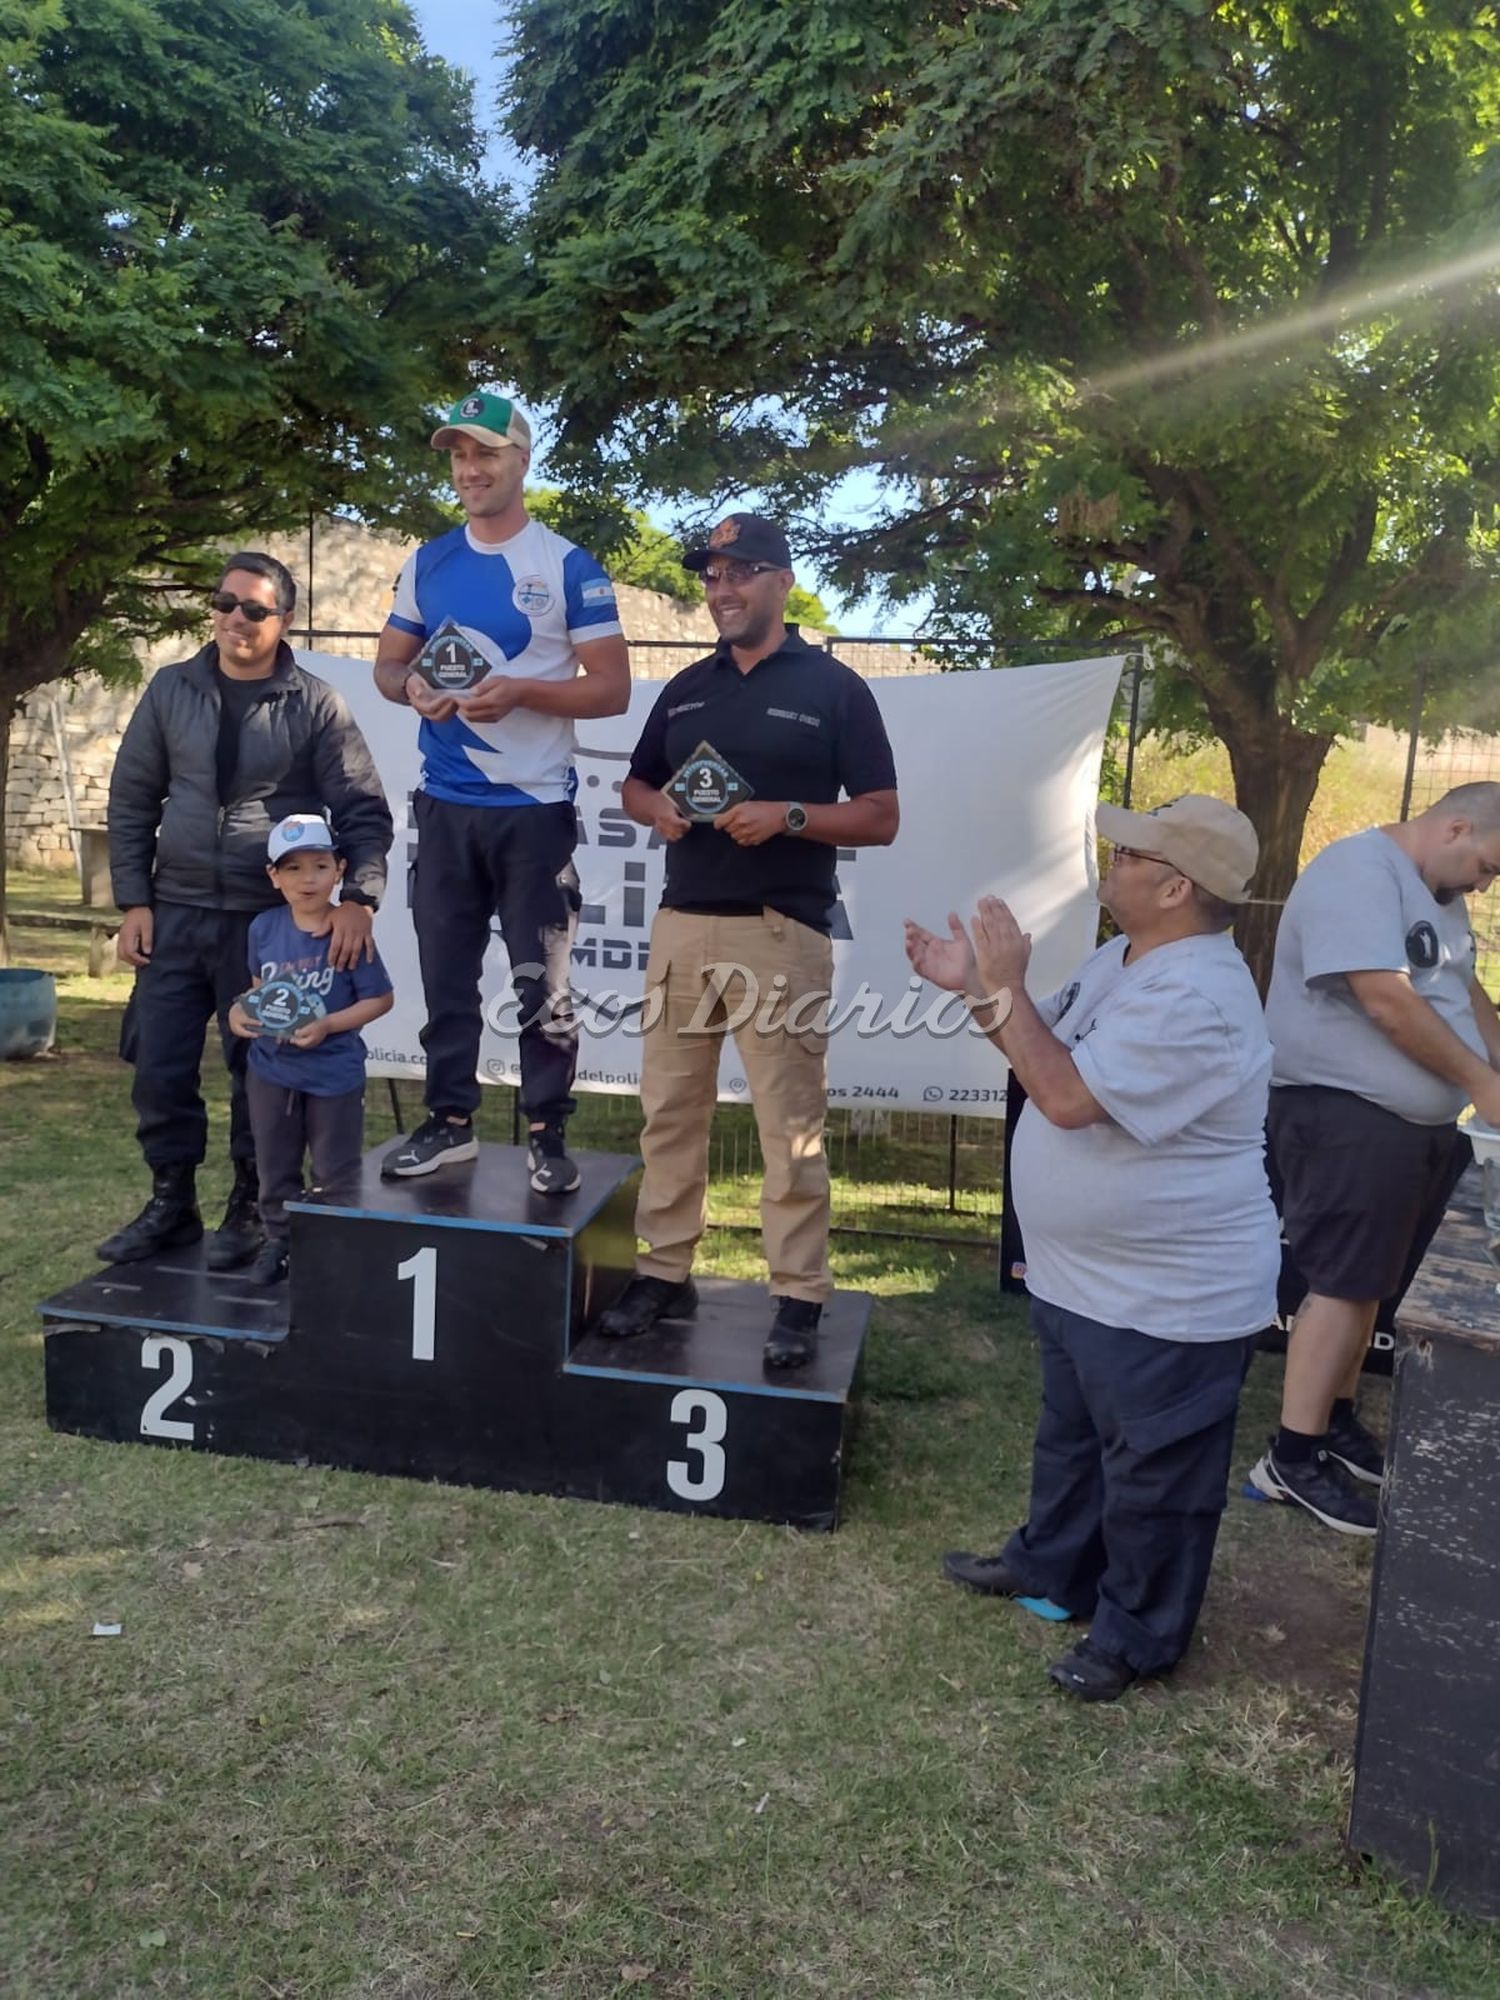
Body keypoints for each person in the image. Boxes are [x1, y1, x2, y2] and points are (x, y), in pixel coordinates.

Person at [907, 796, 1279, 1701]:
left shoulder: (1202, 997)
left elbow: (1067, 1097)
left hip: (1168, 1297)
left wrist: (1004, 986)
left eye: (1130, 851)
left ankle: (1136, 1636)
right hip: (1086, 1280)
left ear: (1175, 885)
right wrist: (978, 986)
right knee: (1072, 1440)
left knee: (1158, 1476)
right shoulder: (1128, 958)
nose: (1111, 857)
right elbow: (1036, 1055)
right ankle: (1053, 1569)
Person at [599, 512, 899, 1369]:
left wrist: (792, 816)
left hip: (782, 931)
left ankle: (799, 1294)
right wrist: (651, 806)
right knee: (668, 1114)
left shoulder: (835, 687)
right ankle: (663, 1272)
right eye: (710, 575)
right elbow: (634, 781)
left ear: (782, 582)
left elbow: (881, 815)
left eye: (740, 573)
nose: (720, 590)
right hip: (681, 925)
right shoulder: (689, 685)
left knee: (789, 1126)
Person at [102, 554, 392, 1269]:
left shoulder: (315, 702)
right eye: (225, 602)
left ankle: (247, 1205)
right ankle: (171, 1203)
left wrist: (360, 898)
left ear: (283, 619)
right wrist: (133, 900)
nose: (236, 617)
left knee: (258, 1069)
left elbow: (361, 809)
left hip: (268, 924)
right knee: (160, 1067)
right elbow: (133, 799)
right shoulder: (172, 689)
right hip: (175, 912)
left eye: (255, 609)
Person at [372, 390, 630, 1194]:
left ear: (522, 460)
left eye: (485, 453)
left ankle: (549, 1135)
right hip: (446, 805)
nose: (469, 469)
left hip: (534, 812)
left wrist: (521, 691)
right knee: (446, 979)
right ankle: (449, 1124)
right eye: (457, 454)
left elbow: (613, 689)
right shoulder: (429, 560)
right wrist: (410, 688)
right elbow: (388, 667)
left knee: (541, 988)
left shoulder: (567, 566)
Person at [1248, 783, 1500, 1533]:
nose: (1486, 883)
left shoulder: (1439, 895)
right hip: (1345, 1115)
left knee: (1371, 1286)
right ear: (1455, 826)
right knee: (1342, 1285)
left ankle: (1337, 1421)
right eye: (1488, 865)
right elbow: (1385, 999)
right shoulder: (1356, 872)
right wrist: (1481, 1082)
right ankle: (1290, 1460)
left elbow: (1463, 989)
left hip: (1409, 1127)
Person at [228, 815, 395, 1284]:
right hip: (272, 1070)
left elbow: (380, 999)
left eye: (319, 866)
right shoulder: (263, 928)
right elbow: (257, 990)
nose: (307, 879)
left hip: (333, 1074)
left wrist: (328, 1025)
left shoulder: (349, 931)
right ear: (273, 876)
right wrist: (238, 1013)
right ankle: (280, 1241)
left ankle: (333, 1247)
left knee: (335, 1170)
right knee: (275, 1165)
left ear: (339, 870)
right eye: (293, 869)